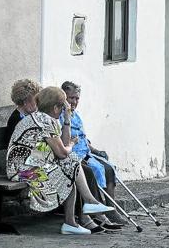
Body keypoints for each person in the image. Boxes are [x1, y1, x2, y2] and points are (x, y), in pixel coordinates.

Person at [6, 86, 114, 235]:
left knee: (70, 169)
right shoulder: (43, 120)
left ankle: (72, 221)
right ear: (56, 107)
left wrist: (67, 121)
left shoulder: (46, 119)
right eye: (64, 106)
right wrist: (71, 145)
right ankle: (87, 204)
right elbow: (63, 152)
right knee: (70, 161)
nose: (66, 109)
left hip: (35, 164)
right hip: (22, 171)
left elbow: (61, 146)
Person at [60, 81, 126, 228]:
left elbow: (83, 137)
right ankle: (96, 213)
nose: (74, 102)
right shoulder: (61, 116)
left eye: (77, 98)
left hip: (85, 152)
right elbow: (64, 141)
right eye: (71, 98)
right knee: (92, 171)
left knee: (109, 168)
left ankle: (111, 209)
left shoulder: (76, 115)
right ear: (63, 98)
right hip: (73, 155)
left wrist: (95, 150)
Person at [5, 79, 41, 143]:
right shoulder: (16, 119)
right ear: (25, 101)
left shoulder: (27, 115)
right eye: (36, 100)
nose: (38, 103)